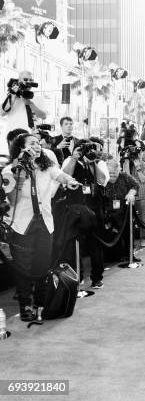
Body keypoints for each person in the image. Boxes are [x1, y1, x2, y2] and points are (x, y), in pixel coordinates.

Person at [2, 134, 80, 321]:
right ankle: (26, 305)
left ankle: (42, 301)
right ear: (20, 148)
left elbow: (60, 175)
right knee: (23, 268)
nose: (37, 145)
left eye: (38, 143)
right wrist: (19, 171)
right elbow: (12, 200)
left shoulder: (46, 166)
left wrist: (69, 181)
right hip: (22, 225)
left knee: (42, 264)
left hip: (45, 222)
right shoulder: (9, 170)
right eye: (32, 143)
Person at [60, 138, 110, 288]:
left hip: (94, 209)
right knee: (76, 246)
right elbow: (64, 177)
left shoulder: (96, 162)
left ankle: (97, 278)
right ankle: (78, 276)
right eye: (83, 149)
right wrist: (75, 158)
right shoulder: (69, 161)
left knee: (96, 245)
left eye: (88, 149)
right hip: (76, 210)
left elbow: (102, 180)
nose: (85, 152)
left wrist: (92, 162)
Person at [103, 160, 139, 263]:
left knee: (128, 233)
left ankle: (129, 255)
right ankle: (113, 257)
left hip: (124, 211)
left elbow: (135, 185)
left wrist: (131, 193)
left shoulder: (124, 176)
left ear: (119, 170)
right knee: (111, 235)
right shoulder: (102, 178)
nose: (112, 175)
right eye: (110, 173)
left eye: (115, 172)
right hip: (109, 213)